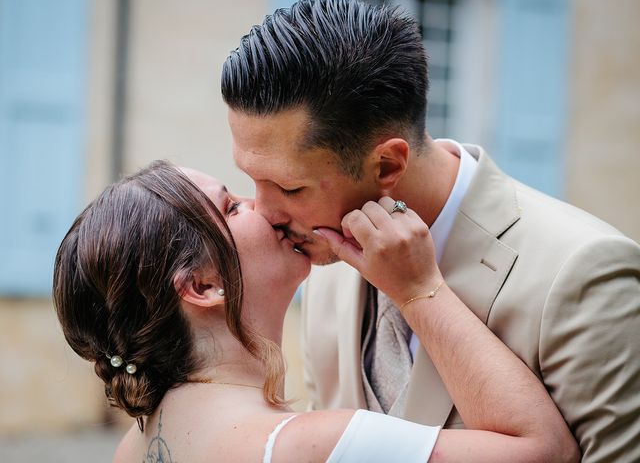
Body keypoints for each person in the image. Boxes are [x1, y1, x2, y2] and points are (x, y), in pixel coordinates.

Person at [221, 0, 640, 463]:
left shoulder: (586, 273)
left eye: (289, 188)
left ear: (387, 165)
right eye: (251, 180)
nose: (264, 210)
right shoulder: (326, 255)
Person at [53, 161, 579, 462]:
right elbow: (546, 453)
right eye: (233, 206)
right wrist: (419, 289)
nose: (263, 207)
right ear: (203, 285)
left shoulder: (135, 448)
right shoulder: (314, 446)